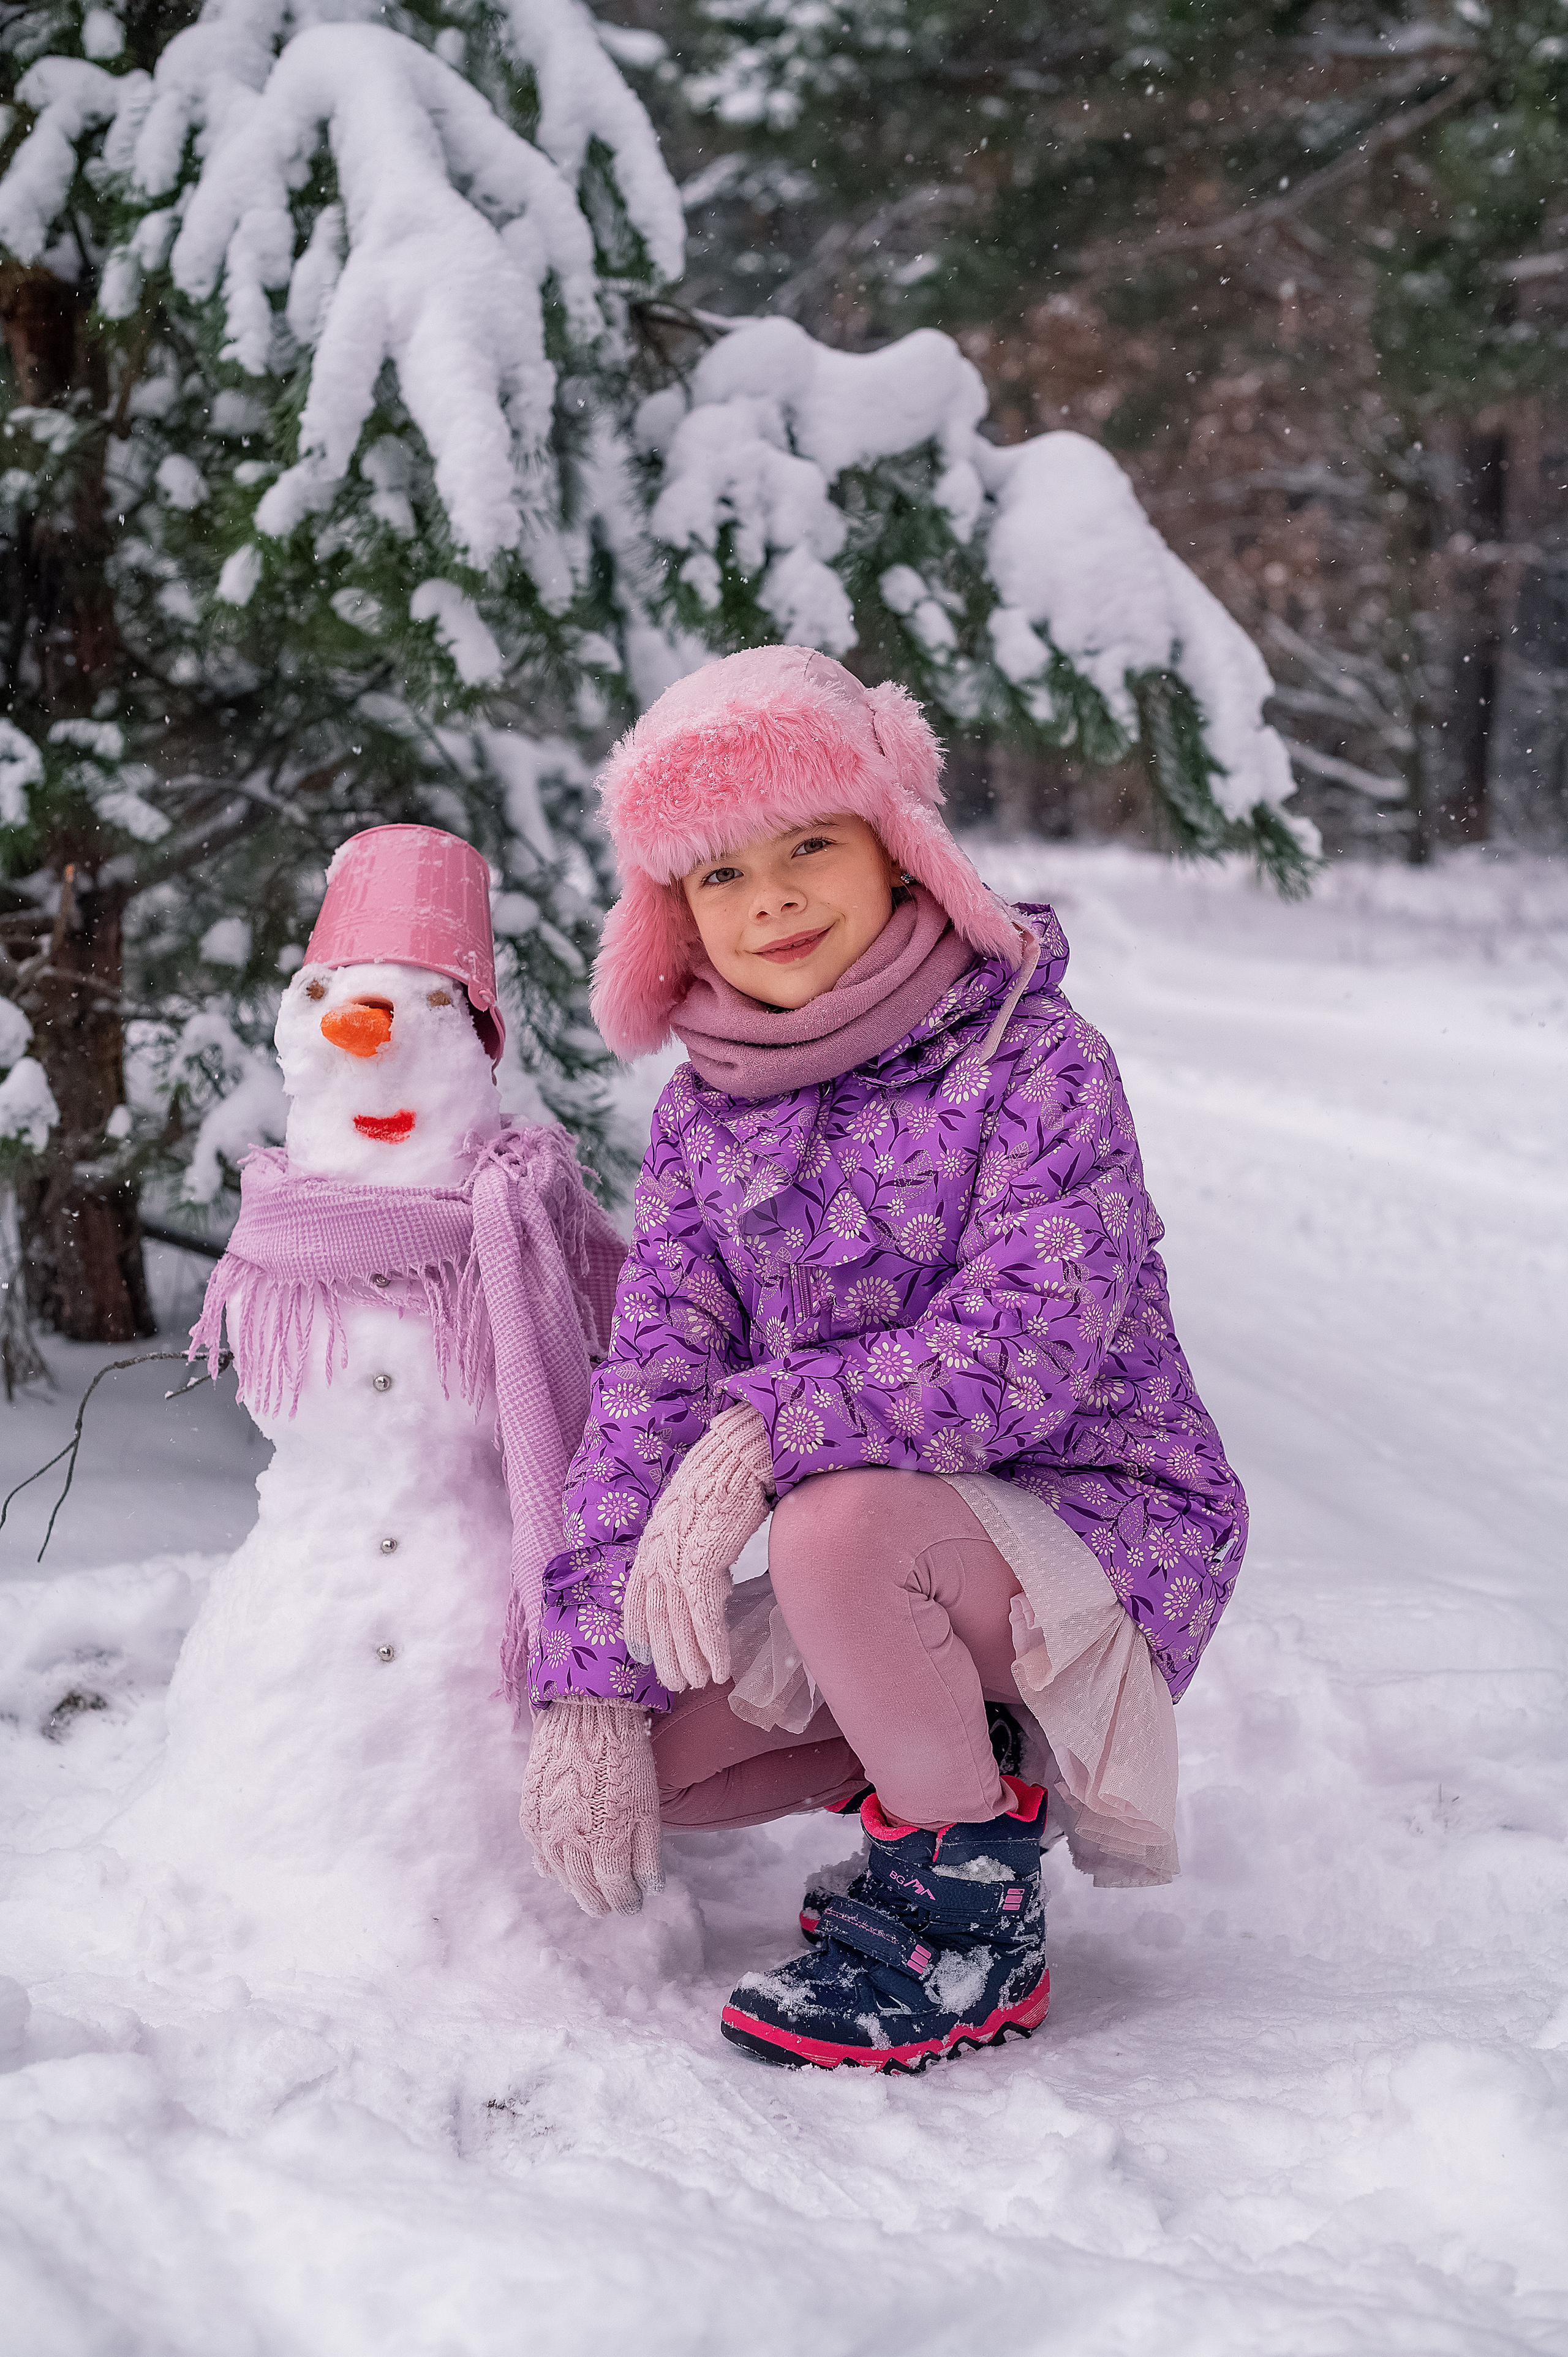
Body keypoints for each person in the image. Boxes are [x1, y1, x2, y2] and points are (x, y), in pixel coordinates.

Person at [520, 646, 1247, 2075]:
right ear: (671, 917)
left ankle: (962, 1917)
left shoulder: (1032, 1058)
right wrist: (589, 1683)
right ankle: (948, 1755)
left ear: (898, 852)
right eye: (718, 876)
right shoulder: (701, 1120)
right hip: (873, 1555)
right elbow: (648, 1391)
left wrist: (760, 1439)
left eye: (808, 846)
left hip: (1098, 1522)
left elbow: (1023, 1351)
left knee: (836, 1521)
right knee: (666, 1767)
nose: (770, 898)